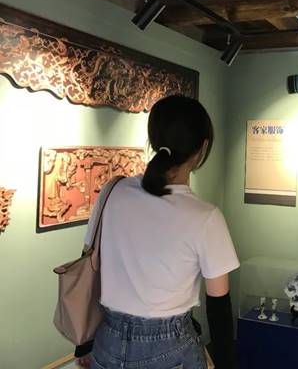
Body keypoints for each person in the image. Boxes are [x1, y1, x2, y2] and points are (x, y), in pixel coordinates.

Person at [75, 95, 240, 369]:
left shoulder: (112, 192)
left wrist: (84, 343)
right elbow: (218, 307)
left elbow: (88, 265)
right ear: (202, 148)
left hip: (107, 342)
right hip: (169, 348)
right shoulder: (206, 217)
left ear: (153, 141)